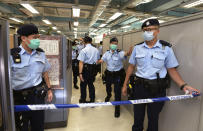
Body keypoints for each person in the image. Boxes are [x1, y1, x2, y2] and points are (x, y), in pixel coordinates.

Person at [122, 19, 200, 131]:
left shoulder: (166, 49)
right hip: (139, 88)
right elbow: (131, 67)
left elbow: (172, 70)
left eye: (149, 29)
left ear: (157, 31)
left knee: (153, 119)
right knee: (138, 118)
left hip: (157, 90)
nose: (146, 32)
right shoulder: (137, 48)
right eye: (144, 30)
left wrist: (183, 85)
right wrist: (125, 85)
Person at [11, 24, 53, 131]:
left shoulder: (40, 54)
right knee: (21, 127)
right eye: (34, 38)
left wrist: (49, 90)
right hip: (19, 98)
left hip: (37, 96)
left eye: (38, 37)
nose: (37, 40)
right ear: (23, 38)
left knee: (38, 126)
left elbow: (45, 73)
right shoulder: (12, 55)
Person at [97, 37, 132, 118]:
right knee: (108, 87)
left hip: (117, 75)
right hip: (109, 75)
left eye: (116, 44)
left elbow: (126, 53)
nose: (114, 45)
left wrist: (129, 52)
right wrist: (97, 61)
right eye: (113, 43)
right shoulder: (106, 53)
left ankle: (117, 109)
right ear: (110, 44)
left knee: (117, 93)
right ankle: (108, 95)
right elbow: (102, 60)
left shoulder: (120, 53)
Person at [77, 36, 100, 103]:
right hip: (93, 69)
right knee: (91, 84)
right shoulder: (96, 50)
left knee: (83, 85)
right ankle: (92, 99)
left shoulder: (83, 50)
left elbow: (81, 62)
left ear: (84, 42)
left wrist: (80, 73)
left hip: (85, 70)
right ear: (91, 41)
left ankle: (83, 99)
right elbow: (98, 60)